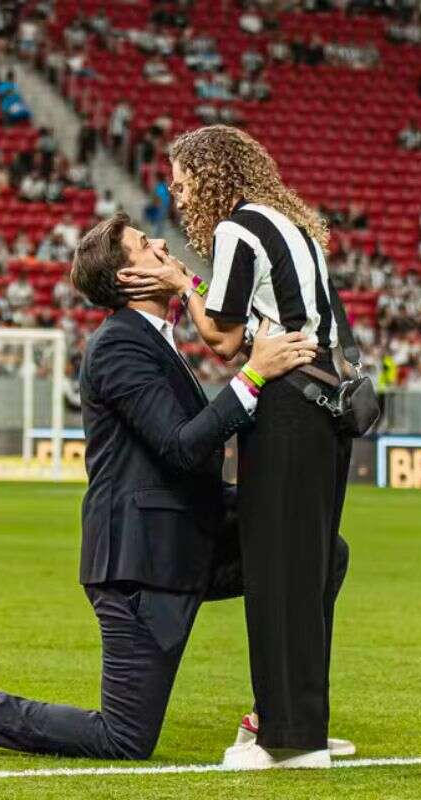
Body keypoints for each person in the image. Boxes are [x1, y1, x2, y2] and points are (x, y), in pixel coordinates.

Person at [0, 213, 346, 762]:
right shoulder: (116, 347)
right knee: (124, 739)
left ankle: (280, 715)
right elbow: (181, 445)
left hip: (190, 535)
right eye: (146, 246)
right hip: (141, 563)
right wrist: (253, 376)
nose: (163, 245)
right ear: (129, 281)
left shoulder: (156, 340)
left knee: (319, 552)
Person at [117, 125, 353, 769]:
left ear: (213, 172)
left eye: (183, 176)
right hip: (332, 406)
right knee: (306, 567)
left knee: (275, 568)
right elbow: (259, 326)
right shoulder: (291, 225)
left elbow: (221, 340)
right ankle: (305, 721)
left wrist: (178, 279)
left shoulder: (236, 228)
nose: (176, 189)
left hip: (288, 410)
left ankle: (286, 739)